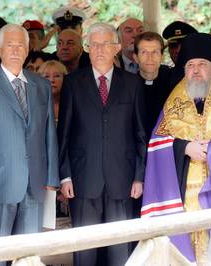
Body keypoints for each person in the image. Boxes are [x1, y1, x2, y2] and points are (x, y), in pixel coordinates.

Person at [141, 33, 211, 264]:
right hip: (182, 194)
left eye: (202, 65)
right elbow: (156, 143)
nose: (196, 71)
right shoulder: (173, 102)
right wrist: (185, 148)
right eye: (190, 65)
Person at [0, 24, 59, 266]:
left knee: (29, 254)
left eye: (20, 45)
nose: (15, 50)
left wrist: (52, 177)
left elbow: (49, 134)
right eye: (10, 44)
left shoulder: (41, 86)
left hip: (35, 182)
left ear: (28, 49)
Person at [57, 22, 146, 266]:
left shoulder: (132, 83)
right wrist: (64, 176)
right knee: (84, 251)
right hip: (83, 178)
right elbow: (63, 133)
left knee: (120, 250)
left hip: (123, 179)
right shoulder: (73, 83)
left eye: (104, 44)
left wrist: (139, 176)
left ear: (116, 47)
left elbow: (140, 133)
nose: (98, 50)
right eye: (92, 44)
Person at [133, 31, 172, 138]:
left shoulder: (174, 84)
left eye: (154, 52)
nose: (150, 58)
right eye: (144, 52)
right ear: (136, 57)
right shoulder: (127, 87)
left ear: (162, 57)